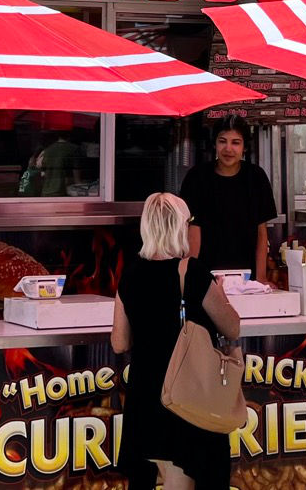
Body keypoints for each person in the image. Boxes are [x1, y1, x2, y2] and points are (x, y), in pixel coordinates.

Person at [112, 193, 241, 490]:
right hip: (185, 396)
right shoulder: (192, 273)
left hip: (146, 396)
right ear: (179, 226)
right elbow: (232, 326)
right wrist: (220, 292)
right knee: (180, 476)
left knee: (154, 476)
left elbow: (119, 342)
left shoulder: (130, 274)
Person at [179, 116, 277, 283]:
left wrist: (260, 277)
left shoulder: (256, 177)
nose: (228, 148)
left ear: (245, 147)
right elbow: (193, 230)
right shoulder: (197, 177)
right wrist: (190, 277)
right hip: (206, 274)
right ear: (214, 144)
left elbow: (261, 231)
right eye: (222, 141)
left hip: (247, 276)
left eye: (236, 142)